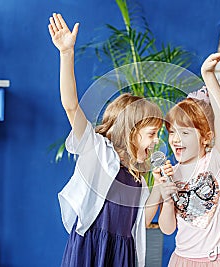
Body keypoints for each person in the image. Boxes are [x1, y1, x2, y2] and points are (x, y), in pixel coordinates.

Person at [48, 13, 166, 267]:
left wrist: (158, 185)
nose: (156, 141)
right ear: (131, 131)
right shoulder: (98, 151)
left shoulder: (138, 178)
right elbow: (70, 106)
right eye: (151, 134)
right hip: (90, 251)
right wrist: (66, 54)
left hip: (122, 256)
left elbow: (144, 222)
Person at [157, 51, 220, 266]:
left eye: (186, 133)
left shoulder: (215, 161)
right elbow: (168, 228)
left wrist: (208, 74)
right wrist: (166, 198)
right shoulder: (172, 172)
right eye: (172, 132)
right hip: (183, 259)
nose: (176, 139)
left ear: (206, 137)